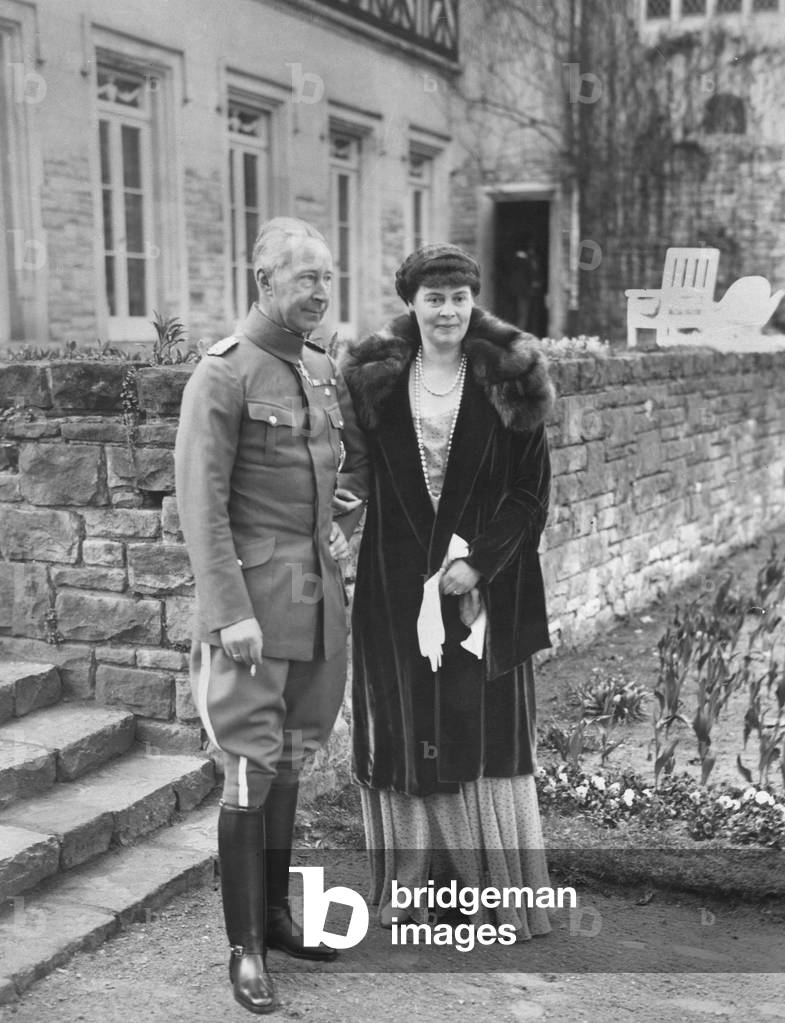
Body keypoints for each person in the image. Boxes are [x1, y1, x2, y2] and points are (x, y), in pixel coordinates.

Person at [175, 217, 368, 1014]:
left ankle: (279, 918)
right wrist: (229, 612)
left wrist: (344, 514)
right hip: (253, 614)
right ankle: (244, 949)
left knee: (289, 760)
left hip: (316, 606)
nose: (320, 293)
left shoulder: (320, 369)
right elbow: (201, 504)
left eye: (327, 279)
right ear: (262, 282)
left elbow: (337, 472)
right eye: (304, 280)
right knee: (250, 767)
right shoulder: (222, 375)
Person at [341, 243, 555, 938]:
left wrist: (479, 563)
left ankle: (491, 895)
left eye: (458, 296)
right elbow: (354, 475)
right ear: (411, 302)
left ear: (473, 299)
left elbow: (530, 492)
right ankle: (415, 892)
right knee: (405, 725)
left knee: (480, 725)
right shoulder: (372, 377)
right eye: (433, 297)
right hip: (394, 581)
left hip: (483, 590)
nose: (447, 310)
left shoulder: (509, 373)